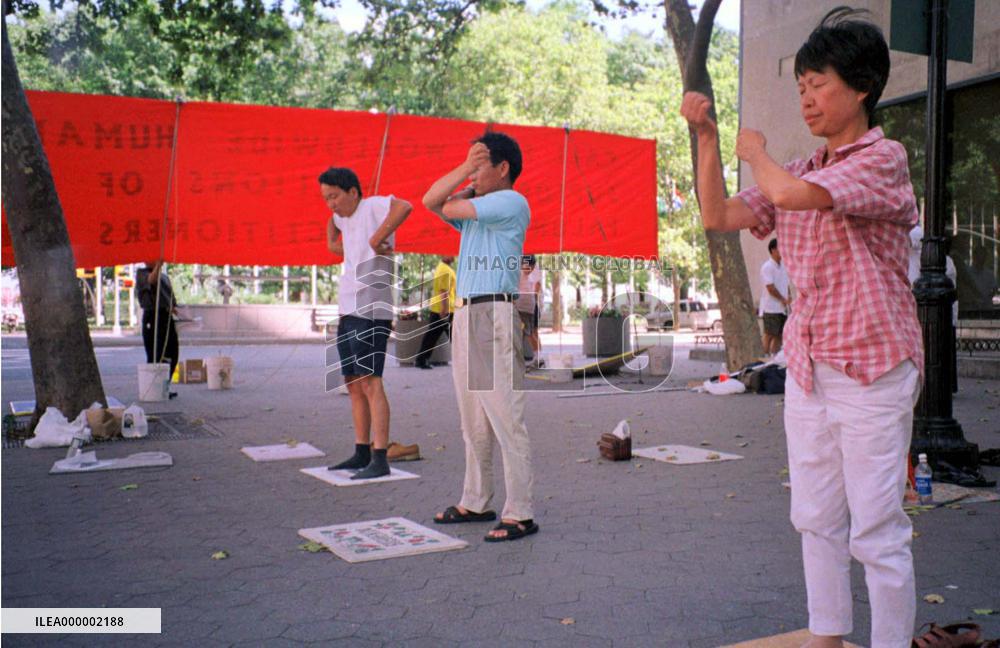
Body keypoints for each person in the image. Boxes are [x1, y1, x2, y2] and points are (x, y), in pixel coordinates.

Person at [681, 8, 922, 648]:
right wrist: (707, 137)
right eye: (801, 87)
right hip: (810, 366)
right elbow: (719, 212)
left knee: (876, 527)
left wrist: (754, 151)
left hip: (873, 366)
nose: (807, 98)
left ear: (862, 87)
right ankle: (827, 635)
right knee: (815, 516)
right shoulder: (801, 166)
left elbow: (786, 198)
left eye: (818, 83)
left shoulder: (883, 159)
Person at [423, 132, 538, 542]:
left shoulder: (510, 201)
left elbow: (441, 202)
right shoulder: (477, 208)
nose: (473, 172)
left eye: (480, 163)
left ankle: (520, 512)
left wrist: (466, 177)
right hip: (468, 313)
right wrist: (468, 169)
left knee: (506, 418)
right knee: (472, 421)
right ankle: (476, 500)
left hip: (492, 312)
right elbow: (431, 200)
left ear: (502, 168)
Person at [321, 167, 412, 480]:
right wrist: (338, 242)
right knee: (352, 382)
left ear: (353, 192)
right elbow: (332, 232)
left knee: (371, 381)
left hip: (372, 308)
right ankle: (361, 450)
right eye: (326, 198)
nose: (330, 204)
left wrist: (377, 238)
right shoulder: (343, 219)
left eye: (334, 196)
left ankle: (379, 455)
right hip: (348, 307)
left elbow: (405, 206)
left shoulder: (372, 205)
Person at [135, 260, 179, 398]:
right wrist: (158, 266)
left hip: (166, 316)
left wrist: (173, 308)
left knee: (173, 353)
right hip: (152, 316)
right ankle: (153, 389)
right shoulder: (142, 273)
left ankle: (164, 385)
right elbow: (151, 281)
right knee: (155, 354)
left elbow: (170, 299)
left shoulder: (164, 277)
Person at [415, 256, 456, 370]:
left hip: (440, 308)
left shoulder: (442, 268)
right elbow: (444, 291)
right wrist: (444, 310)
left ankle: (421, 359)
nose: (454, 256)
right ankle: (421, 360)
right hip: (444, 309)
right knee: (455, 337)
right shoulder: (445, 270)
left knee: (432, 336)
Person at [759, 238, 790, 355]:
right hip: (771, 307)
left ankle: (775, 356)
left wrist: (788, 298)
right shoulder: (767, 267)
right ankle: (763, 355)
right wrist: (783, 299)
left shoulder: (783, 266)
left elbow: (786, 284)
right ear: (773, 250)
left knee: (780, 334)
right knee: (769, 333)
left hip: (782, 308)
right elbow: (770, 288)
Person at [515, 255, 543, 367]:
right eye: (527, 267)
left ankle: (537, 357)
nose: (528, 270)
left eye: (530, 268)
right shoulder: (517, 273)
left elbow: (537, 286)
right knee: (522, 333)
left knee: (530, 333)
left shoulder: (530, 275)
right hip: (520, 305)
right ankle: (519, 358)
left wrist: (535, 300)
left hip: (527, 307)